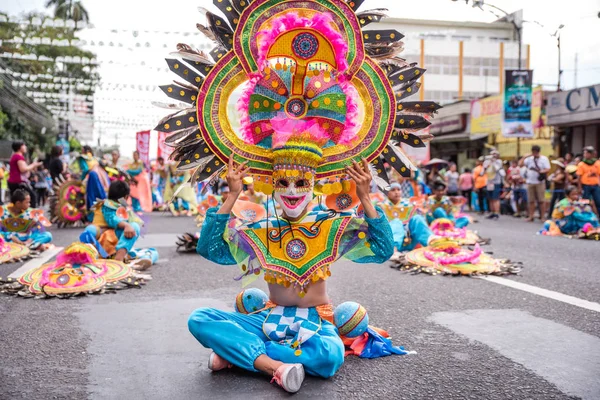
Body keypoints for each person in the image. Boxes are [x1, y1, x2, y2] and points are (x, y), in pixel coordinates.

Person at [79, 180, 142, 262]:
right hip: (100, 238)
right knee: (90, 230)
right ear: (126, 197)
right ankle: (90, 253)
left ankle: (119, 256)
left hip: (115, 240)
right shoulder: (107, 204)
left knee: (134, 226)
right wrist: (126, 225)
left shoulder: (124, 208)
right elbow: (112, 219)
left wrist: (129, 226)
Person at [381, 182, 432, 252]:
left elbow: (419, 221)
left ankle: (431, 245)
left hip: (409, 240)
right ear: (387, 193)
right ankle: (394, 250)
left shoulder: (409, 204)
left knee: (418, 218)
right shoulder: (381, 205)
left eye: (398, 190)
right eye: (393, 190)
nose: (396, 192)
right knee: (396, 222)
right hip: (390, 241)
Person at [8, 141, 42, 208]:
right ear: (19, 147)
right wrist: (33, 165)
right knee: (32, 197)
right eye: (24, 145)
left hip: (15, 182)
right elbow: (23, 169)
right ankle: (30, 216)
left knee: (18, 202)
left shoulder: (16, 156)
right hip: (18, 182)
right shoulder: (18, 156)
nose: (25, 147)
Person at [520, 145, 550, 221]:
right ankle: (531, 216)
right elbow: (520, 164)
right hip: (530, 181)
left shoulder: (544, 159)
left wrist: (541, 171)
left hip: (539, 182)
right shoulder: (529, 159)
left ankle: (542, 216)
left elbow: (547, 168)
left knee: (541, 200)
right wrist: (524, 157)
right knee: (531, 200)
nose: (534, 153)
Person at [576, 146, 600, 216]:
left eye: (587, 153)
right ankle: (585, 216)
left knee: (598, 202)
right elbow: (579, 177)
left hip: (595, 185)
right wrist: (579, 188)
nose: (585, 155)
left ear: (592, 154)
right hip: (586, 186)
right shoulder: (581, 164)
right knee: (585, 202)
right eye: (584, 153)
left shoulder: (597, 163)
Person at [483, 150, 504, 220]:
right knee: (490, 198)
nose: (493, 156)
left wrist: (493, 161)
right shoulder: (487, 162)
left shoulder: (499, 162)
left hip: (496, 182)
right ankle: (492, 212)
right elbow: (482, 172)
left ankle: (496, 213)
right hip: (489, 182)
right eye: (492, 154)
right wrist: (487, 164)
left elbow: (497, 169)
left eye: (495, 154)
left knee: (495, 198)